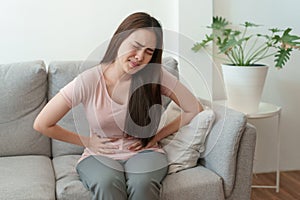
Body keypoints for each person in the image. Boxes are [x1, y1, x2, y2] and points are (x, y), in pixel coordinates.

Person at [34, 12, 203, 200]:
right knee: (107, 183)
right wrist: (87, 141)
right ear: (119, 40)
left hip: (145, 152)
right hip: (99, 155)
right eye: (136, 46)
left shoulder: (155, 76)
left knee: (142, 183)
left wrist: (157, 135)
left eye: (149, 52)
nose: (140, 57)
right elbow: (42, 123)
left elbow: (194, 107)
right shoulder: (89, 80)